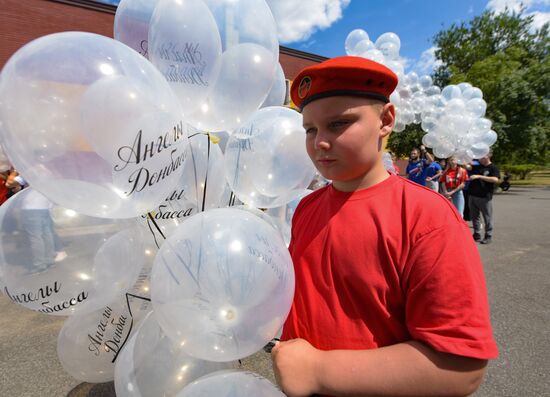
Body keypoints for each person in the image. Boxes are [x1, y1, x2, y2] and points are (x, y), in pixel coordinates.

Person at [271, 56, 497, 397]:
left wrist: (318, 370)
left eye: (338, 124)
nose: (319, 141)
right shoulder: (306, 207)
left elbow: (459, 366)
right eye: (310, 129)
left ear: (386, 120)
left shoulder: (427, 218)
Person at [468, 154, 500, 244]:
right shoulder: (477, 165)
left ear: (487, 156)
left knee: (487, 217)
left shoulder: (493, 168)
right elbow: (468, 167)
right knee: (475, 217)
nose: (479, 159)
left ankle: (488, 235)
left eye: (481, 156)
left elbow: (495, 179)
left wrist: (479, 176)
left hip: (484, 197)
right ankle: (477, 234)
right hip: (473, 195)